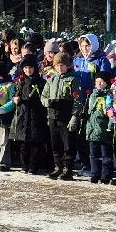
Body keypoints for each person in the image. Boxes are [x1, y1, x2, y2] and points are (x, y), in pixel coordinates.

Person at [42, 52, 83, 182]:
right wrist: (46, 102)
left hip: (66, 115)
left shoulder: (73, 79)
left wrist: (75, 116)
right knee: (55, 144)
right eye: (57, 65)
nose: (60, 68)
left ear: (68, 66)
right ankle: (58, 166)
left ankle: (68, 169)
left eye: (63, 65)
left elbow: (78, 100)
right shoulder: (51, 79)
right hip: (53, 115)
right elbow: (43, 96)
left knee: (68, 144)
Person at [84, 73, 115, 184]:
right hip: (92, 128)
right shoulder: (92, 95)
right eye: (97, 81)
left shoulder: (109, 96)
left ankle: (106, 174)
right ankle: (94, 173)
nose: (99, 84)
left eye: (101, 81)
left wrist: (110, 126)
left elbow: (111, 112)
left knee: (105, 154)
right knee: (93, 154)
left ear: (106, 83)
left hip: (104, 128)